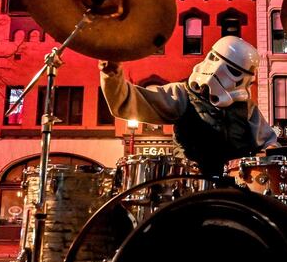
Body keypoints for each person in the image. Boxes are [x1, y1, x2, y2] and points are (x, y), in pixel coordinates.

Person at [99, 36, 277, 177]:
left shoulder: (247, 108)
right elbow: (130, 102)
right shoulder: (182, 94)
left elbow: (269, 144)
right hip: (192, 186)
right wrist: (112, 76)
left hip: (235, 189)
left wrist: (266, 155)